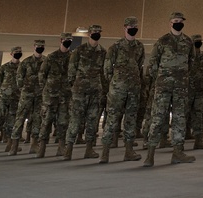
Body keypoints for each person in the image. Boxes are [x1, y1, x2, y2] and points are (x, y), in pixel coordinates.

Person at [145, 12, 195, 167]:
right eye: (175, 21)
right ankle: (150, 153)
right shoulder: (162, 41)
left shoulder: (188, 42)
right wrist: (160, 79)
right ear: (170, 23)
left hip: (181, 87)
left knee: (180, 118)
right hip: (163, 86)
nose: (178, 23)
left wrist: (184, 77)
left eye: (180, 21)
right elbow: (153, 63)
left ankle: (177, 152)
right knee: (158, 117)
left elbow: (191, 63)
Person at [101, 16, 144, 163]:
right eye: (130, 26)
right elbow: (107, 69)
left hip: (133, 89)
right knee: (112, 118)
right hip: (118, 90)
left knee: (131, 119)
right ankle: (105, 151)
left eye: (135, 26)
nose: (133, 28)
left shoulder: (139, 47)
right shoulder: (115, 47)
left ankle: (129, 150)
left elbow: (139, 66)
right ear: (124, 27)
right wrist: (116, 83)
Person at [63, 24, 106, 161]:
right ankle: (68, 149)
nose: (96, 34)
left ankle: (89, 149)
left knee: (92, 121)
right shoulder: (79, 51)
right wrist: (75, 85)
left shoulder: (103, 52)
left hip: (95, 91)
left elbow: (104, 72)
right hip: (80, 91)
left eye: (99, 32)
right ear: (89, 34)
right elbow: (71, 70)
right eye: (94, 32)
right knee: (75, 119)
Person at [36, 33, 73, 157]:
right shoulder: (51, 57)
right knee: (46, 121)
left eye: (70, 40)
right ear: (61, 40)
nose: (67, 41)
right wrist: (45, 90)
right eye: (66, 40)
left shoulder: (72, 57)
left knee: (63, 122)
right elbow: (42, 74)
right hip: (50, 95)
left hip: (65, 95)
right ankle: (41, 146)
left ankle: (61, 146)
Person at [9, 39, 44, 155]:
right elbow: (19, 79)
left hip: (39, 96)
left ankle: (34, 144)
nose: (40, 48)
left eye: (42, 46)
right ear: (34, 47)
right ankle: (14, 145)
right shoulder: (26, 62)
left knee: (37, 120)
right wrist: (24, 90)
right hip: (27, 94)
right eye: (38, 46)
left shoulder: (46, 61)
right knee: (20, 118)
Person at [0, 46, 23, 153]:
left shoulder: (23, 67)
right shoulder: (4, 67)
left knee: (12, 122)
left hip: (16, 98)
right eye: (16, 52)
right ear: (11, 54)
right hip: (3, 98)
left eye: (20, 52)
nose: (18, 54)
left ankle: (10, 144)